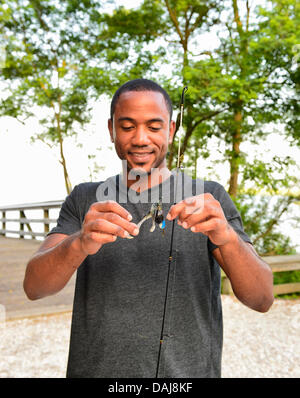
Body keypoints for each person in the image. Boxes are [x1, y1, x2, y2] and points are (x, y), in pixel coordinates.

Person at [23, 79, 274, 378]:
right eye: (127, 126)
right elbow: (34, 287)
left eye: (154, 127)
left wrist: (228, 239)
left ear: (171, 129)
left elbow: (262, 298)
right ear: (111, 129)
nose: (141, 139)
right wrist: (78, 243)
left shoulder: (211, 199)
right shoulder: (84, 199)